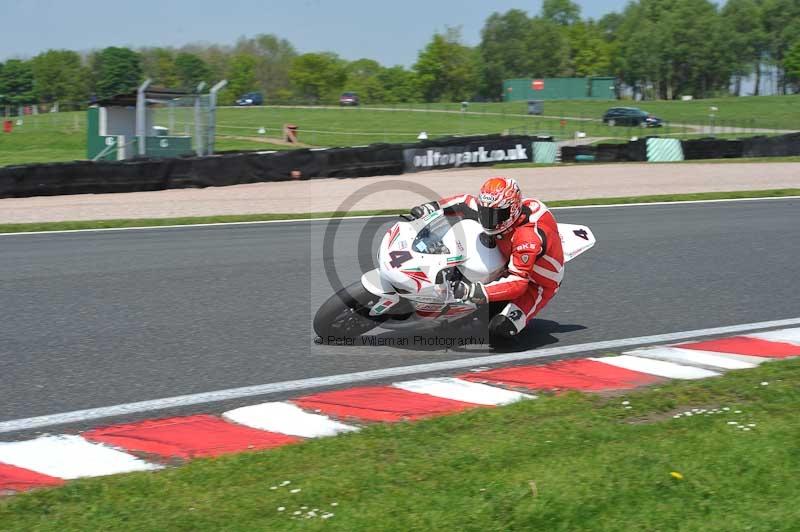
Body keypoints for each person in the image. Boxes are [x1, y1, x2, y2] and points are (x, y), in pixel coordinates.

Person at [410, 176, 564, 341]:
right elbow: (465, 201)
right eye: (486, 212)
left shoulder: (527, 238)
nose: (490, 220)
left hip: (535, 284)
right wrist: (431, 208)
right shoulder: (497, 208)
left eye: (497, 215)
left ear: (512, 211)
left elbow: (519, 283)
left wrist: (474, 291)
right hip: (506, 258)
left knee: (498, 329)